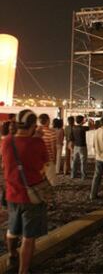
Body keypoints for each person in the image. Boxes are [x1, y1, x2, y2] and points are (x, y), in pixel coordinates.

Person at [1, 109, 48, 274]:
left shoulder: (7, 141)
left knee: (12, 230)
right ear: (33, 126)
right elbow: (44, 166)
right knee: (28, 237)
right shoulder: (37, 143)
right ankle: (23, 270)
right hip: (32, 195)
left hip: (11, 193)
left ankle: (12, 254)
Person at [39, 114, 58, 186]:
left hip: (39, 159)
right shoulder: (51, 132)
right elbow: (53, 147)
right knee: (51, 179)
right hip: (48, 158)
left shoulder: (36, 132)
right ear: (47, 121)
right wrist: (54, 158)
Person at [70, 115, 89, 179]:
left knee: (75, 161)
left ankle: (73, 174)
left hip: (76, 146)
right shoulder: (83, 128)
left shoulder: (73, 128)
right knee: (83, 162)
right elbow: (92, 127)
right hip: (82, 146)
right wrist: (87, 121)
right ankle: (83, 175)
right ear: (82, 121)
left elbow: (71, 138)